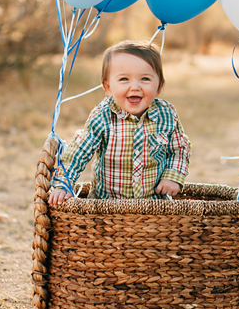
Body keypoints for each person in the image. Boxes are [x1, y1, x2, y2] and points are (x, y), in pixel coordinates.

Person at [48, 40, 191, 205]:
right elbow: (79, 152)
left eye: (145, 79)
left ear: (159, 86)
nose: (135, 86)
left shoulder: (166, 115)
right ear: (108, 87)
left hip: (153, 204)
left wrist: (172, 176)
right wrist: (64, 184)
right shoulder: (102, 116)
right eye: (124, 79)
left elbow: (179, 149)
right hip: (106, 204)